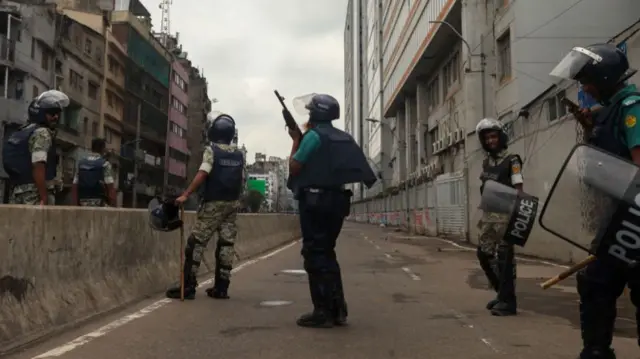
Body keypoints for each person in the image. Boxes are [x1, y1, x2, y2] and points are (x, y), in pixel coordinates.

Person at [549, 43, 639, 359]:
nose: (584, 88)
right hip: (613, 221)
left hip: (634, 223)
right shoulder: (607, 111)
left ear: (603, 76)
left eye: (586, 80)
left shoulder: (632, 107)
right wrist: (591, 128)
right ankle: (597, 352)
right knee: (595, 286)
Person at [286, 93, 377, 328]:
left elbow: (295, 167)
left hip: (315, 202)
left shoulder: (313, 136)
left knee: (314, 254)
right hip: (338, 203)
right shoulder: (344, 137)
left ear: (316, 113)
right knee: (327, 252)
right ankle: (338, 309)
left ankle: (323, 311)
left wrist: (296, 139)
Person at [165, 111, 246, 300]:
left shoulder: (212, 150)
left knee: (196, 243)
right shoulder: (239, 154)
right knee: (226, 244)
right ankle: (222, 287)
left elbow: (203, 173)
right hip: (233, 203)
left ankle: (188, 286)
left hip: (213, 203)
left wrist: (186, 194)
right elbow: (242, 180)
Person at [475, 118, 524, 317]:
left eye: (493, 136)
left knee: (505, 258)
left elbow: (519, 187)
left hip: (506, 215)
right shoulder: (486, 162)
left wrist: (518, 213)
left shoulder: (512, 159)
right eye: (487, 138)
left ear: (500, 137)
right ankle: (501, 293)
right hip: (488, 216)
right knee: (483, 254)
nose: (490, 141)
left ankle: (508, 302)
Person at [2, 90, 70, 205]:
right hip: (35, 194)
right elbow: (38, 165)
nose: (56, 117)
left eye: (58, 113)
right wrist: (43, 196)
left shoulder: (23, 130)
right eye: (52, 113)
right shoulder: (42, 133)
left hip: (17, 192)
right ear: (41, 113)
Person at [72, 138, 116, 207]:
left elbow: (75, 185)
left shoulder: (81, 163)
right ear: (102, 149)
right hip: (99, 202)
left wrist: (75, 205)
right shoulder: (105, 164)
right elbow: (110, 188)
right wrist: (113, 204)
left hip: (82, 201)